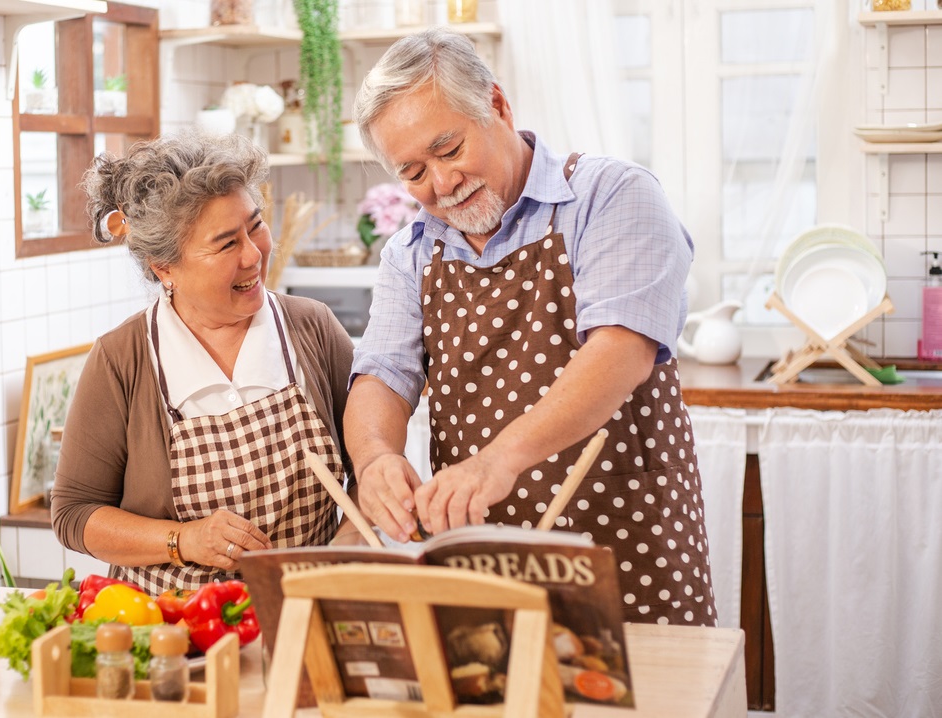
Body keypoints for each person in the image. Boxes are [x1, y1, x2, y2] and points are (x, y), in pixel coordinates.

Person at [345, 28, 716, 626]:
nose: (440, 185)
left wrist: (497, 461)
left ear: (496, 105)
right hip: (481, 557)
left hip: (622, 539)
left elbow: (620, 350)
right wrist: (374, 459)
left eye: (448, 149)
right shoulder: (409, 254)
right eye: (412, 172)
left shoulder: (611, 196)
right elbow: (382, 375)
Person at [50, 132, 356, 597]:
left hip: (302, 615)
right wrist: (183, 539)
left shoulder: (311, 328)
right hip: (172, 630)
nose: (253, 255)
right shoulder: (123, 359)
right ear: (164, 267)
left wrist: (344, 554)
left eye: (255, 226)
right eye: (225, 244)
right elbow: (74, 514)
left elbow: (371, 468)